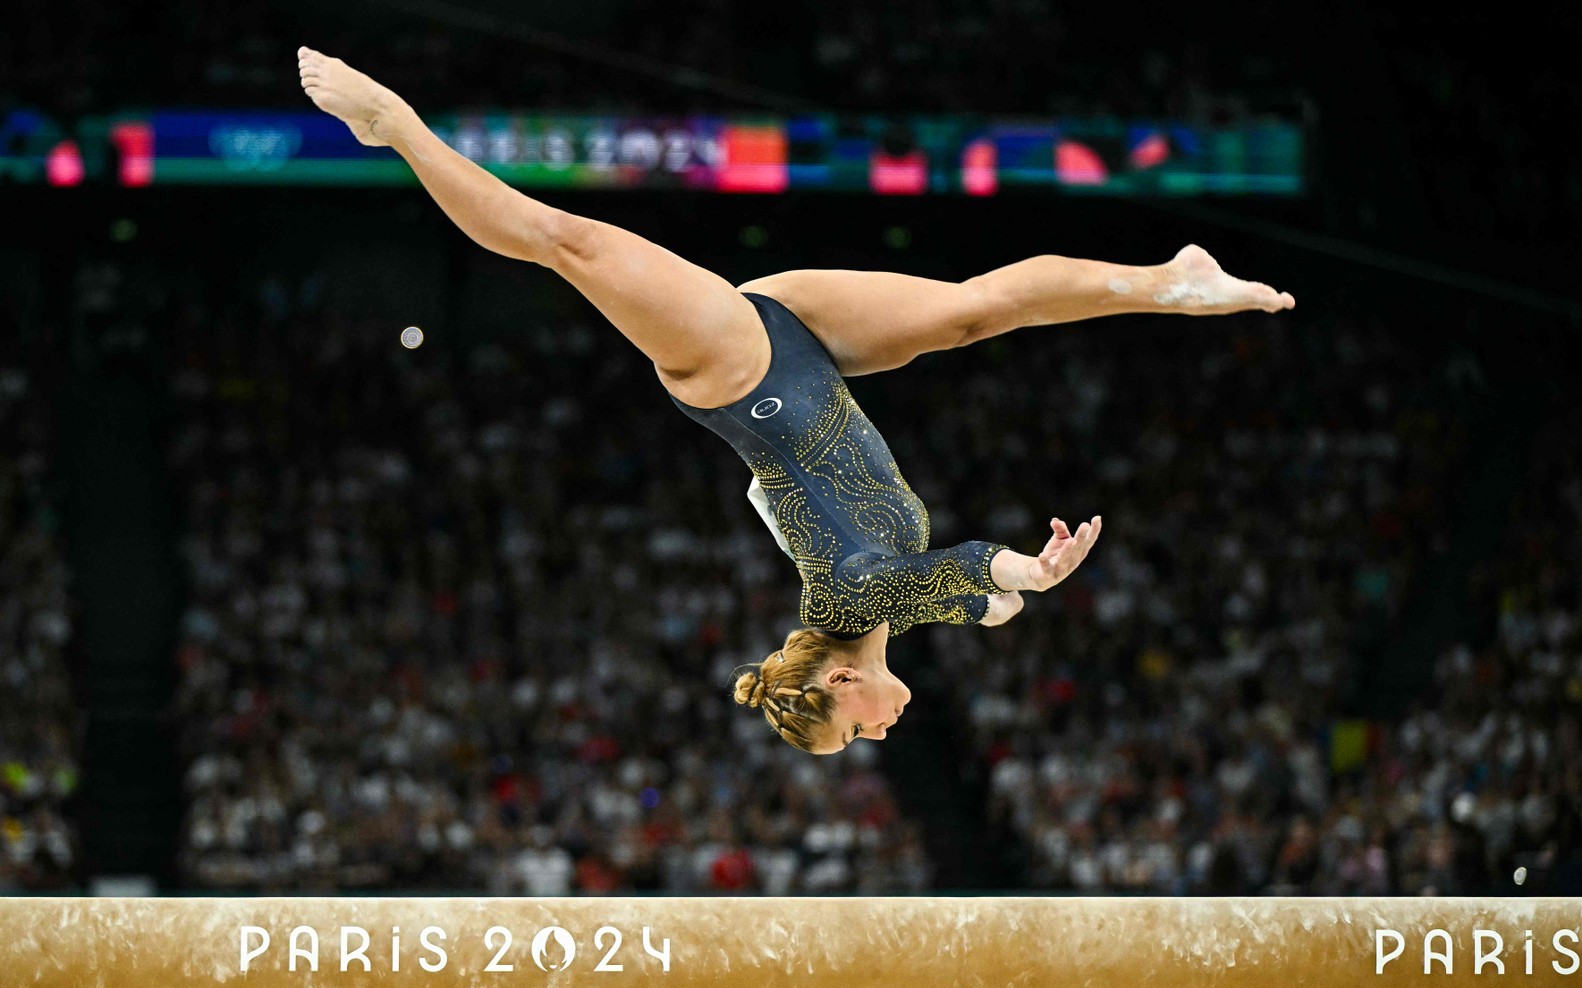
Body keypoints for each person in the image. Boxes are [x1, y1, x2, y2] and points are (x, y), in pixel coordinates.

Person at [296, 47, 1295, 755]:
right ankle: (1169, 279)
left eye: (851, 728)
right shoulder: (884, 611)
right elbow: (964, 594)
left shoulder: (852, 598)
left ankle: (398, 130)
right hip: (809, 356)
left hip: (738, 371)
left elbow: (954, 574)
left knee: (568, 242)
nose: (878, 732)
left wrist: (1026, 573)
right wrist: (1016, 587)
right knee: (970, 313)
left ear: (837, 680)